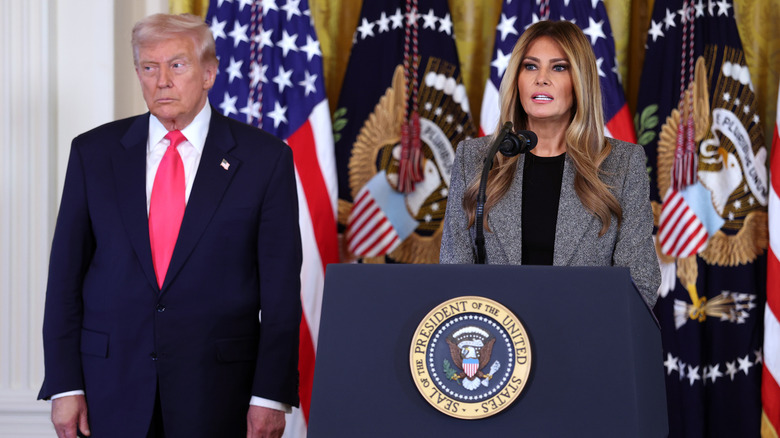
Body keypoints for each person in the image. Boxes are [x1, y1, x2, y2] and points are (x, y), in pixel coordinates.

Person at [38, 13, 302, 438]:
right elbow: (64, 280)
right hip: (110, 388)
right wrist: (64, 384)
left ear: (209, 73)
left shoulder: (264, 159)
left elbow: (281, 292)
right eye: (149, 67)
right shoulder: (93, 153)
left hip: (219, 392)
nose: (162, 80)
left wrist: (270, 396)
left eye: (177, 65)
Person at [440, 20, 660, 307]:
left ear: (580, 81)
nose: (540, 78)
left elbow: (640, 284)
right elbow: (453, 275)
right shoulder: (475, 158)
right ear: (516, 77)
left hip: (582, 342)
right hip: (498, 343)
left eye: (558, 67)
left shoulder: (622, 164)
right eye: (530, 66)